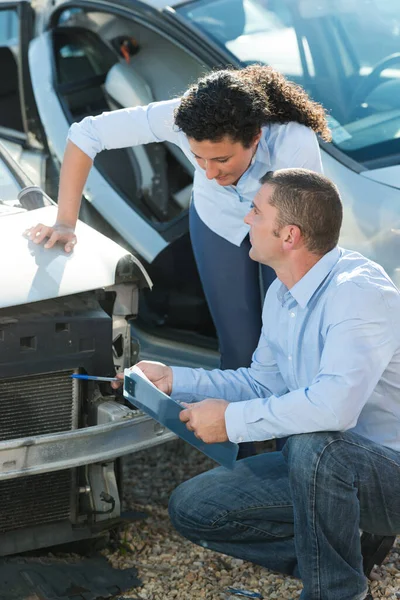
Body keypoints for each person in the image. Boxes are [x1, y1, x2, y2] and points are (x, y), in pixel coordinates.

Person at [112, 169, 400, 600]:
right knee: (194, 507)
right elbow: (262, 382)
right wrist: (176, 380)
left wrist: (231, 421)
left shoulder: (359, 294)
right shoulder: (284, 292)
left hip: (386, 472)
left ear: (289, 235)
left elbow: (334, 409)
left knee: (312, 444)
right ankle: (348, 549)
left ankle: (338, 591)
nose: (247, 220)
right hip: (325, 472)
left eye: (256, 211)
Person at [26, 66, 329, 371]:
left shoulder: (294, 143)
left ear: (255, 136)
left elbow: (306, 230)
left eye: (222, 159)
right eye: (199, 158)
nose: (209, 173)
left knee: (291, 339)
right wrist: (65, 221)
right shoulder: (176, 119)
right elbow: (85, 133)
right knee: (240, 348)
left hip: (282, 226)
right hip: (217, 221)